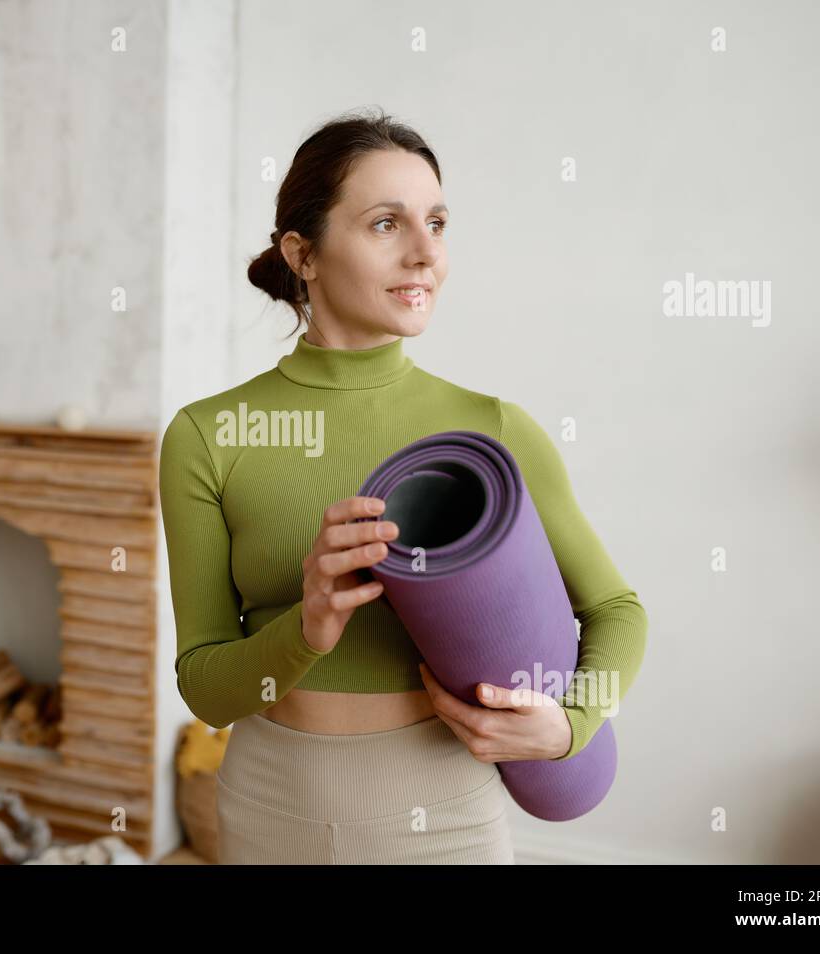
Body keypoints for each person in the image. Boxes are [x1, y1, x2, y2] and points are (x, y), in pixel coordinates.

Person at [159, 109, 648, 864]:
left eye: (438, 223)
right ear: (304, 254)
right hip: (267, 807)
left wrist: (572, 722)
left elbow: (617, 611)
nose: (426, 254)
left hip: (445, 816)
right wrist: (308, 624)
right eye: (387, 224)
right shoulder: (208, 436)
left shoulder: (493, 430)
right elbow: (205, 688)